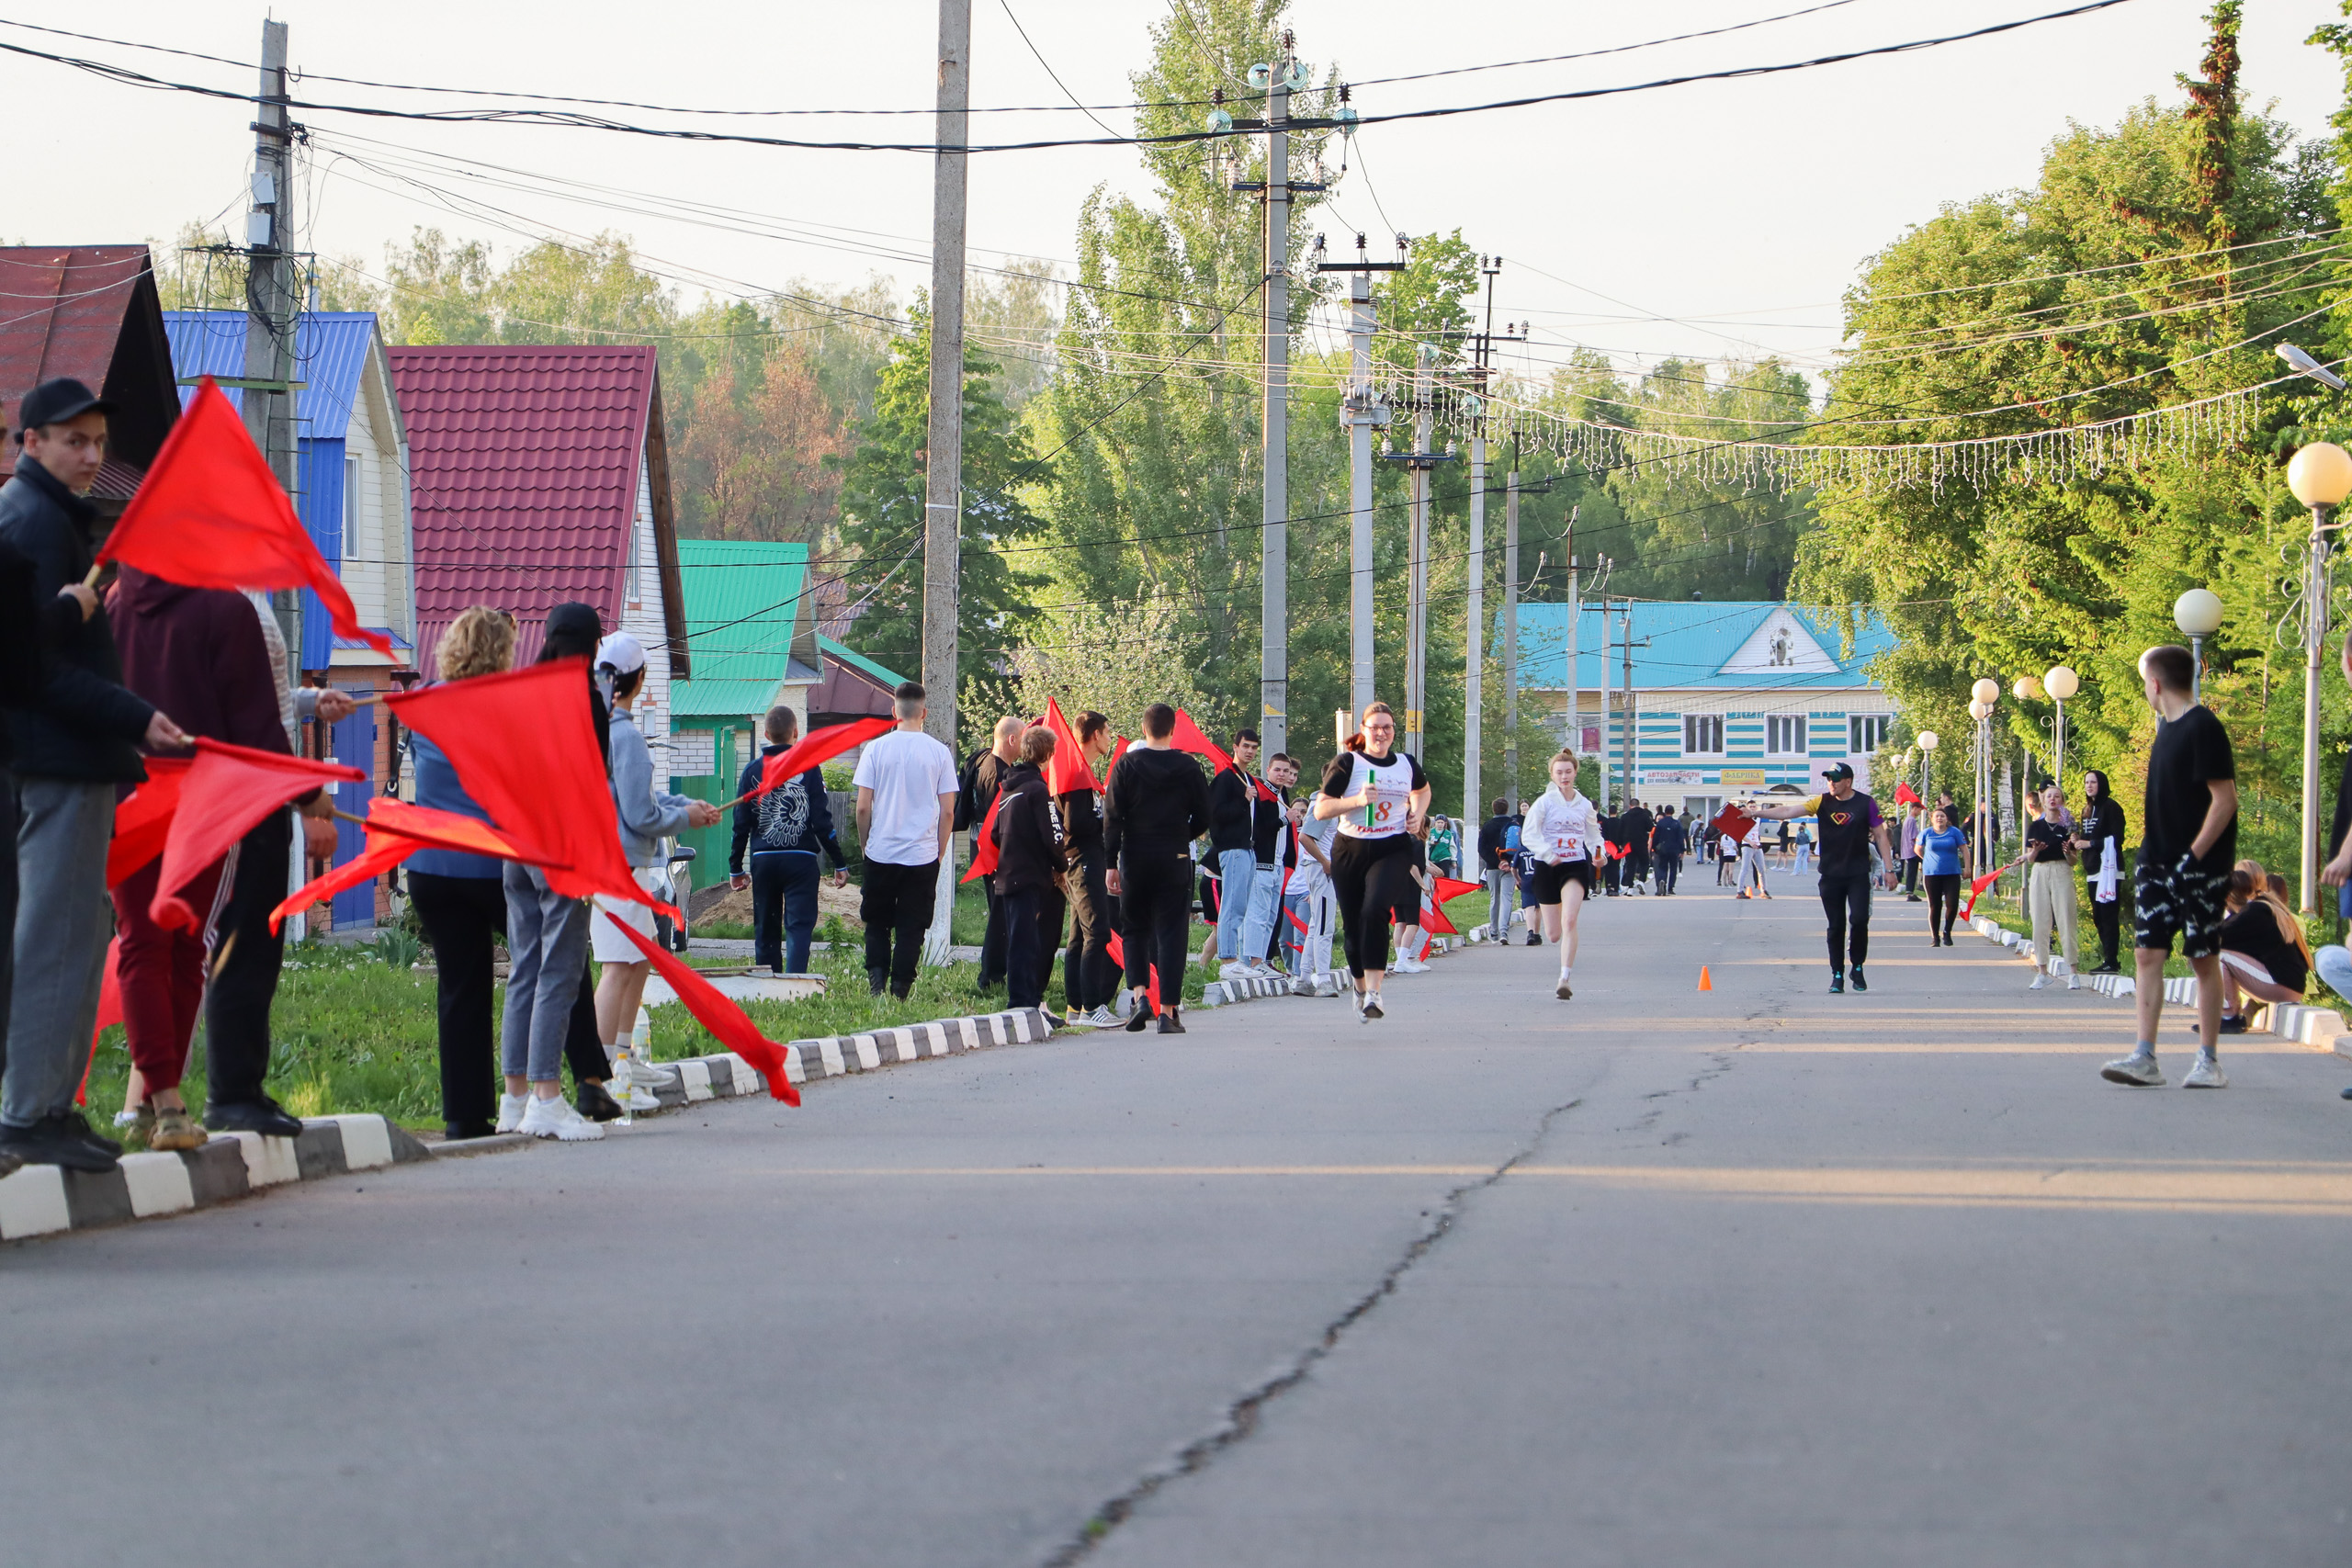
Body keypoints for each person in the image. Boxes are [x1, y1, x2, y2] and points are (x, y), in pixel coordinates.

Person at [0, 379, 195, 1172]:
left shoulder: (48, 518)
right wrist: (132, 714)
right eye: (73, 441)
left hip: (69, 757)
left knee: (78, 937)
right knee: (55, 937)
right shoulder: (31, 523)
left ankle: (51, 1106)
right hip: (54, 759)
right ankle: (28, 1112)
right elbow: (34, 671)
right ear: (31, 441)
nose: (90, 456)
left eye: (97, 442)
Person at [107, 559, 349, 1153]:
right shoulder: (222, 605)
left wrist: (307, 705)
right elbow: (252, 722)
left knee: (142, 941)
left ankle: (154, 1100)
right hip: (212, 798)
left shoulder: (114, 600)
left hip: (128, 793)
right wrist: (309, 791)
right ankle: (192, 1097)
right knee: (191, 946)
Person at [403, 607, 521, 1140]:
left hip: (430, 867)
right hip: (488, 863)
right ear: (499, 653)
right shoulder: (502, 710)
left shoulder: (425, 700)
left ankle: (464, 1115)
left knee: (459, 987)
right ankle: (557, 1082)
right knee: (549, 962)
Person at [589, 633, 723, 1097]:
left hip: (624, 865)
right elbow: (640, 814)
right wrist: (685, 817)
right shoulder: (622, 734)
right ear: (639, 679)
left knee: (639, 959)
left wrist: (688, 805)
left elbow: (644, 797)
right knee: (617, 967)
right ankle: (606, 1074)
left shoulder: (611, 729)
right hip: (619, 868)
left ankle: (623, 1058)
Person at [2102, 645, 2237, 1089]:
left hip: (2199, 868)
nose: (2146, 689)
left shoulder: (2203, 726)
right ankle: (2145, 1056)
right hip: (2156, 864)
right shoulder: (2167, 729)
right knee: (2147, 952)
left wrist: (2193, 856)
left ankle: (2209, 1061)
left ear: (2155, 684)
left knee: (2203, 957)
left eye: (2145, 682)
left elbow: (2225, 800)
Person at [1313, 702, 1430, 1021]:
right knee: (1353, 926)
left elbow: (1422, 790)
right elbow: (1321, 810)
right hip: (1350, 848)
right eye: (1374, 727)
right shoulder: (1348, 763)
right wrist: (1357, 801)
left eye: (1387, 728)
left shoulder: (1405, 763)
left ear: (1394, 731)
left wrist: (1416, 815)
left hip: (1391, 847)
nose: (1381, 733)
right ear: (1363, 731)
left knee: (1375, 909)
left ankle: (1375, 993)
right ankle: (1360, 986)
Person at [1104, 702, 1210, 1032]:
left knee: (1134, 928)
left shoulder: (1126, 765)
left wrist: (1111, 863)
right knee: (1172, 933)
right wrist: (1182, 835)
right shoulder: (1189, 767)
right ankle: (1167, 1012)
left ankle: (1139, 997)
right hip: (1175, 858)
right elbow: (1205, 815)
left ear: (1143, 728)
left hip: (1134, 856)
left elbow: (1112, 818)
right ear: (1172, 729)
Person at [1748, 762, 1894, 993]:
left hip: (1857, 873)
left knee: (1858, 919)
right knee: (1835, 926)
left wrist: (1889, 868)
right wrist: (1755, 812)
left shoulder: (1866, 803)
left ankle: (1857, 966)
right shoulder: (1822, 801)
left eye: (1835, 779)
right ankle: (1837, 974)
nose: (1831, 783)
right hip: (1831, 875)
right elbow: (1787, 812)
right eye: (1828, 779)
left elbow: (1880, 835)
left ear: (1848, 781)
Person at [854, 682, 959, 1000]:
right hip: (922, 855)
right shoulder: (939, 753)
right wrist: (939, 851)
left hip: (881, 851)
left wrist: (865, 844)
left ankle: (876, 983)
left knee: (877, 921)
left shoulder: (875, 749)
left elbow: (861, 807)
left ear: (893, 712)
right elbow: (948, 813)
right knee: (912, 926)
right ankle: (901, 989)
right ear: (924, 713)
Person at [729, 705, 850, 976]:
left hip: (764, 861)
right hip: (802, 861)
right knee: (799, 927)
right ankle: (795, 985)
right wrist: (839, 862)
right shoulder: (809, 769)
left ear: (766, 733)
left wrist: (736, 868)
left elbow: (741, 825)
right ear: (796, 733)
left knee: (766, 928)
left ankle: (769, 986)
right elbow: (821, 821)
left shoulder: (751, 772)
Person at [989, 725, 1064, 1013]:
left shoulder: (1009, 788)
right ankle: (1023, 1002)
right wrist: (1061, 864)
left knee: (1018, 939)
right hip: (1029, 876)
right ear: (1048, 755)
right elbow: (1053, 835)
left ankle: (1025, 999)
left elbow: (995, 833)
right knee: (1027, 943)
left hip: (1007, 875)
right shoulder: (1038, 789)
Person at [1521, 748, 1600, 1000]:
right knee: (1554, 934)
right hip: (1547, 867)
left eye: (1568, 772)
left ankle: (1564, 978)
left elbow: (1593, 836)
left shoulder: (1584, 804)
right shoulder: (1544, 803)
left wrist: (1599, 853)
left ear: (1575, 772)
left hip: (1574, 866)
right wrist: (1547, 853)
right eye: (1559, 773)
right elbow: (1529, 835)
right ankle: (1561, 962)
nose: (1564, 776)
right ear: (1552, 775)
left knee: (1570, 921)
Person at [1058, 711, 1121, 1029]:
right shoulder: (1079, 771)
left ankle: (1075, 1007)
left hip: (1081, 858)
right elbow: (1074, 823)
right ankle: (1092, 1007)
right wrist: (1106, 821)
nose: (1110, 738)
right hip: (1083, 858)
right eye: (1108, 732)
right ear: (1095, 735)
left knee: (1079, 937)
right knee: (1098, 931)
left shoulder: (1081, 770)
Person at [956, 716, 1025, 992]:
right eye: (1023, 738)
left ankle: (995, 972)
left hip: (984, 846)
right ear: (1012, 739)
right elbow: (999, 818)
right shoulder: (998, 773)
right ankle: (992, 976)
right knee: (1001, 914)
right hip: (995, 850)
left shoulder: (982, 759)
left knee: (1001, 912)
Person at [2207, 859, 2309, 1034]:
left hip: (2280, 986)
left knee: (2215, 955)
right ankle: (2231, 1013)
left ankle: (2230, 1017)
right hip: (2288, 986)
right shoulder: (2266, 906)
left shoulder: (2256, 911)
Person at [1207, 727, 1263, 979]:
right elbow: (1215, 814)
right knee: (1231, 904)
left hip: (1247, 848)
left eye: (1254, 747)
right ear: (1235, 747)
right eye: (1246, 746)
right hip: (1231, 849)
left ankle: (1234, 957)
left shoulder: (1247, 779)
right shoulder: (1226, 778)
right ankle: (1228, 960)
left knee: (1241, 905)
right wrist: (1243, 800)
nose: (1250, 751)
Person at [1234, 750, 1294, 976]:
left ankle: (1263, 959)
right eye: (1277, 770)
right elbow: (1259, 829)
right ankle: (1251, 960)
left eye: (1285, 771)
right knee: (1257, 915)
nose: (1281, 774)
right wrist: (1284, 820)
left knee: (1270, 916)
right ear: (1268, 770)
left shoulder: (1281, 795)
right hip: (1261, 864)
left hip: (1278, 864)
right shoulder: (1262, 793)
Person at [2023, 784, 2083, 991]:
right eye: (2049, 796)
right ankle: (2042, 972)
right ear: (2043, 800)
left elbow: (2074, 860)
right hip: (2040, 871)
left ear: (2062, 801)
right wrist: (2035, 851)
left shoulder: (2069, 825)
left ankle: (2073, 972)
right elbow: (2031, 858)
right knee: (2040, 920)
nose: (2053, 799)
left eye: (2057, 796)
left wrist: (2068, 852)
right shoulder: (2036, 826)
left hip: (2061, 870)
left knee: (2066, 917)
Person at [2070, 772, 2126, 976]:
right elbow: (2086, 838)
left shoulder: (2111, 808)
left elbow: (2118, 838)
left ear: (2101, 784)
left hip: (2109, 869)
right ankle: (2107, 958)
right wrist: (2076, 840)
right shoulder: (2087, 809)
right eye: (2086, 782)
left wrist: (2090, 843)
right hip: (2093, 868)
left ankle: (2112, 960)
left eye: (2093, 782)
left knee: (2108, 915)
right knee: (2098, 916)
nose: (2089, 785)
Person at [1283, 776, 1338, 979]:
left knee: (1317, 924)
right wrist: (1326, 862)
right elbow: (1304, 837)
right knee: (1324, 926)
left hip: (1322, 869)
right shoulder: (1324, 805)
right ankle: (1323, 978)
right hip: (1321, 870)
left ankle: (1305, 977)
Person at [1918, 805, 1968, 947]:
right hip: (1932, 874)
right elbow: (1918, 849)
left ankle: (1947, 931)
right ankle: (1935, 937)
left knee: (1952, 905)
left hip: (1952, 873)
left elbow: (1964, 850)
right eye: (1937, 816)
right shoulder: (1926, 833)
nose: (1940, 818)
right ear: (1932, 819)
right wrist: (1927, 860)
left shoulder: (1955, 832)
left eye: (1942, 816)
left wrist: (1967, 867)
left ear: (1947, 819)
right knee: (1935, 906)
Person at [1477, 796, 1516, 937]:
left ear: (1493, 809)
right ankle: (1504, 931)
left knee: (1495, 898)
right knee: (1507, 897)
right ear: (1507, 809)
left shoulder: (1488, 826)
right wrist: (1509, 862)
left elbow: (1481, 849)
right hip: (1510, 867)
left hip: (1492, 868)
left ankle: (1494, 931)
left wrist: (1496, 862)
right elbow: (1519, 846)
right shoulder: (1513, 825)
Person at [1649, 804, 1688, 896]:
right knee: (1673, 868)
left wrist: (1654, 848)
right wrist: (1682, 850)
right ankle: (1670, 887)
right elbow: (1680, 838)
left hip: (1663, 849)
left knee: (1663, 867)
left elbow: (1656, 837)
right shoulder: (1677, 823)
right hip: (1674, 849)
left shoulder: (1660, 823)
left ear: (1665, 812)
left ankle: (1662, 881)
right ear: (1673, 812)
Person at [1620, 796, 1654, 895]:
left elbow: (1620, 830)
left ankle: (1630, 888)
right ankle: (1641, 881)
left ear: (1630, 806)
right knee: (1644, 862)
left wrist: (1621, 843)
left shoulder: (1625, 816)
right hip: (1641, 843)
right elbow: (1650, 827)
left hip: (1628, 844)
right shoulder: (1644, 815)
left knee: (1630, 865)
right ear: (1638, 805)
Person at [1899, 798, 1925, 901]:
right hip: (1913, 850)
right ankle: (1921, 885)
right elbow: (1914, 836)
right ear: (1914, 809)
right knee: (1928, 863)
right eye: (1919, 810)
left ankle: (1910, 892)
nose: (1919, 813)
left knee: (1912, 871)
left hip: (1907, 850)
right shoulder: (1912, 820)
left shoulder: (1906, 820)